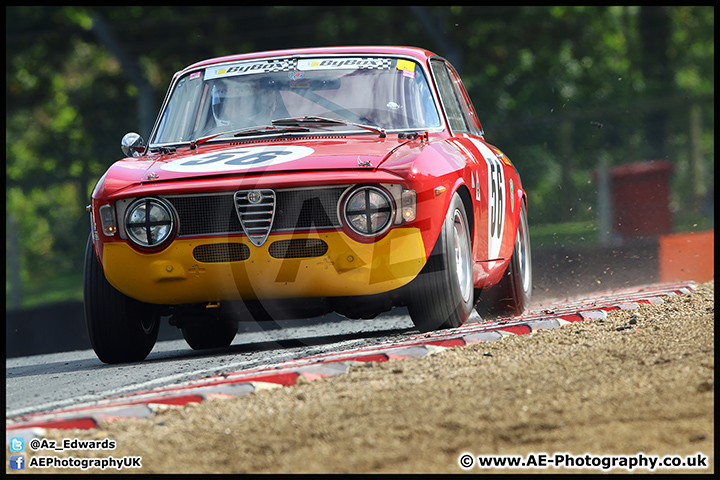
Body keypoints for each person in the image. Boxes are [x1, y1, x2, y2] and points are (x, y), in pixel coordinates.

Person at [210, 77, 278, 129]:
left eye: (241, 104)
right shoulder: (207, 137)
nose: (234, 114)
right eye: (229, 106)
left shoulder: (282, 130)